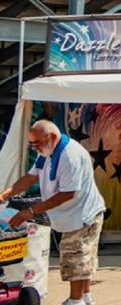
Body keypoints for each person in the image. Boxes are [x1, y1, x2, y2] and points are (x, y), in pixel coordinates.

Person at [1, 120, 106, 305]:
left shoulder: (70, 156)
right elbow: (31, 177)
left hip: (82, 214)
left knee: (75, 258)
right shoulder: (47, 151)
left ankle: (75, 301)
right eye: (31, 144)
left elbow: (67, 193)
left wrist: (31, 211)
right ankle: (86, 297)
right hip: (72, 214)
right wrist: (7, 193)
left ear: (52, 137)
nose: (35, 148)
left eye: (37, 143)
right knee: (84, 256)